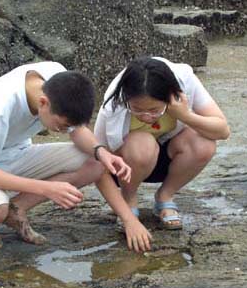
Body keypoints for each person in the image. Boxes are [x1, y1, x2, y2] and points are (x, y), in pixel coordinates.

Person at [0, 61, 131, 249]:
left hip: (14, 155)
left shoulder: (56, 77)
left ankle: (16, 210)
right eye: (61, 126)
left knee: (94, 162)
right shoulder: (1, 103)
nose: (64, 131)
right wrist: (47, 189)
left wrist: (101, 152)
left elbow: (77, 130)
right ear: (43, 103)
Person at [94, 56, 230, 253]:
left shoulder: (184, 82)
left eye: (155, 110)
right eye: (138, 110)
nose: (147, 117)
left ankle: (165, 195)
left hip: (169, 158)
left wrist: (184, 115)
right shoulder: (114, 103)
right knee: (142, 143)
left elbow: (223, 131)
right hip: (128, 166)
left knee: (203, 143)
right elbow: (97, 162)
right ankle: (129, 197)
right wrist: (127, 217)